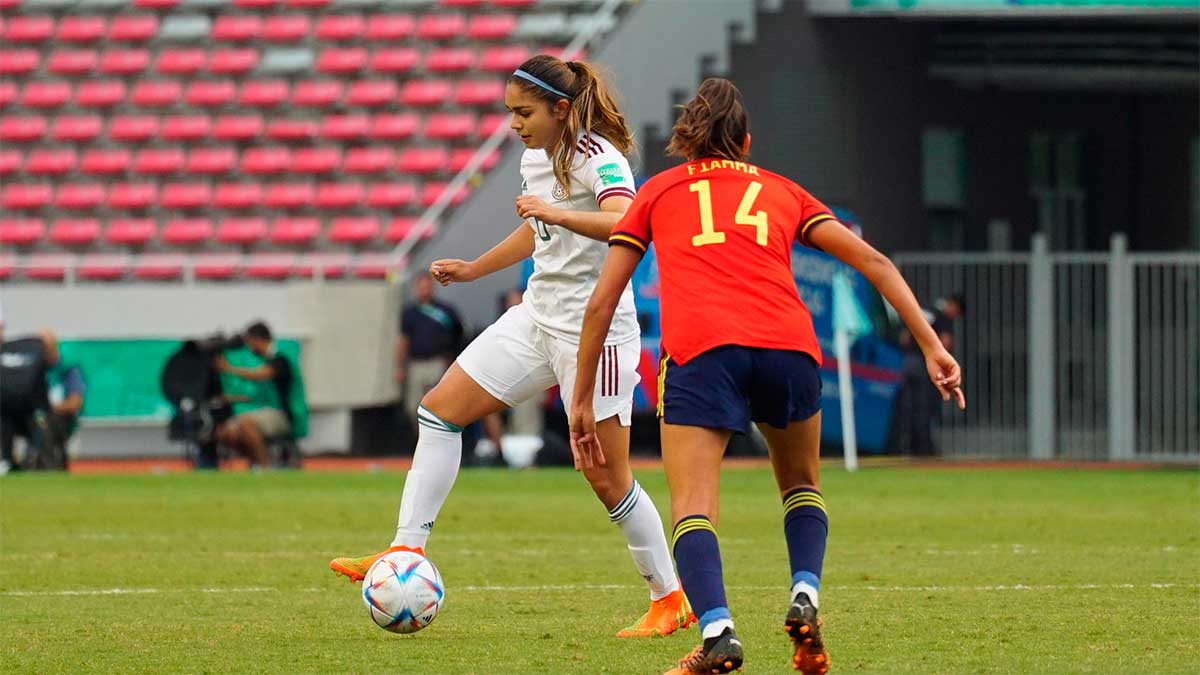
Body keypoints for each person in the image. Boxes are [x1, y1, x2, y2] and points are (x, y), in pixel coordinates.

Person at [568, 78, 965, 675]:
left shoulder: (658, 192)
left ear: (686, 141)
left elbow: (602, 303)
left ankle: (719, 633)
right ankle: (805, 594)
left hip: (704, 351)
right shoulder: (782, 191)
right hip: (789, 347)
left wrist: (579, 398)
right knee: (801, 485)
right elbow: (874, 262)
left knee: (693, 507)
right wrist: (932, 346)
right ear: (746, 142)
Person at [330, 55, 695, 638]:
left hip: (594, 335)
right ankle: (405, 552)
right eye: (508, 113)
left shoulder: (599, 157)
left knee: (606, 476)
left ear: (559, 108)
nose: (514, 124)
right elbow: (537, 230)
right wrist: (476, 268)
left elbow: (626, 223)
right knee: (439, 412)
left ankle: (670, 596)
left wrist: (552, 210)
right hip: (536, 318)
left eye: (523, 113)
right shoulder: (535, 157)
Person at [214, 321, 295, 469]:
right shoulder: (264, 360)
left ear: (258, 339)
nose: (249, 347)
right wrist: (229, 398)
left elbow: (259, 375)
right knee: (225, 432)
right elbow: (254, 395)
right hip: (261, 412)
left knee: (245, 422)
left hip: (280, 414)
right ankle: (257, 460)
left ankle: (264, 468)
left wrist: (229, 368)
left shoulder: (280, 359)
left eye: (250, 342)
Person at [894, 294, 965, 455]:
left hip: (907, 363)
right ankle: (922, 448)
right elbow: (945, 342)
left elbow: (904, 338)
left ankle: (902, 446)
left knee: (905, 406)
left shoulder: (923, 309)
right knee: (923, 406)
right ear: (953, 305)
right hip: (924, 364)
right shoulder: (943, 317)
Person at [397, 274, 465, 429]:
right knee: (413, 405)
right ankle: (419, 437)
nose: (424, 290)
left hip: (438, 363)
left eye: (427, 286)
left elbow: (458, 336)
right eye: (421, 287)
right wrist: (400, 367)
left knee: (438, 406)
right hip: (416, 364)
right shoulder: (409, 313)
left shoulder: (447, 311)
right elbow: (403, 341)